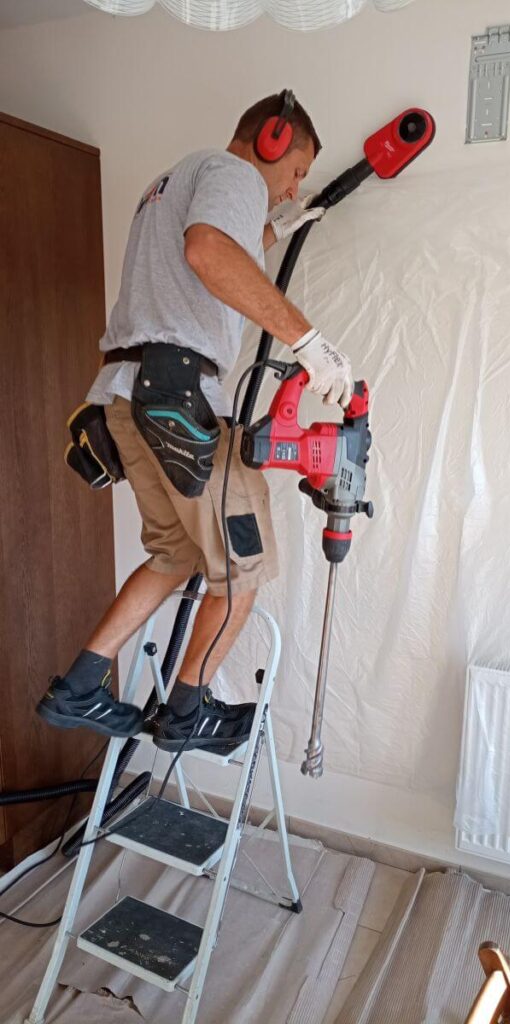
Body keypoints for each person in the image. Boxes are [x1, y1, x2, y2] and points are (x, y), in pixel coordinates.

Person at [36, 90, 354, 752]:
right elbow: (209, 253)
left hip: (127, 398)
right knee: (243, 569)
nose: (292, 187)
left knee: (175, 553)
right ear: (270, 140)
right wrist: (307, 341)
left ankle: (80, 688)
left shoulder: (172, 181)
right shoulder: (234, 174)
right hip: (181, 404)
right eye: (295, 170)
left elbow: (218, 250)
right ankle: (187, 713)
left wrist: (278, 229)